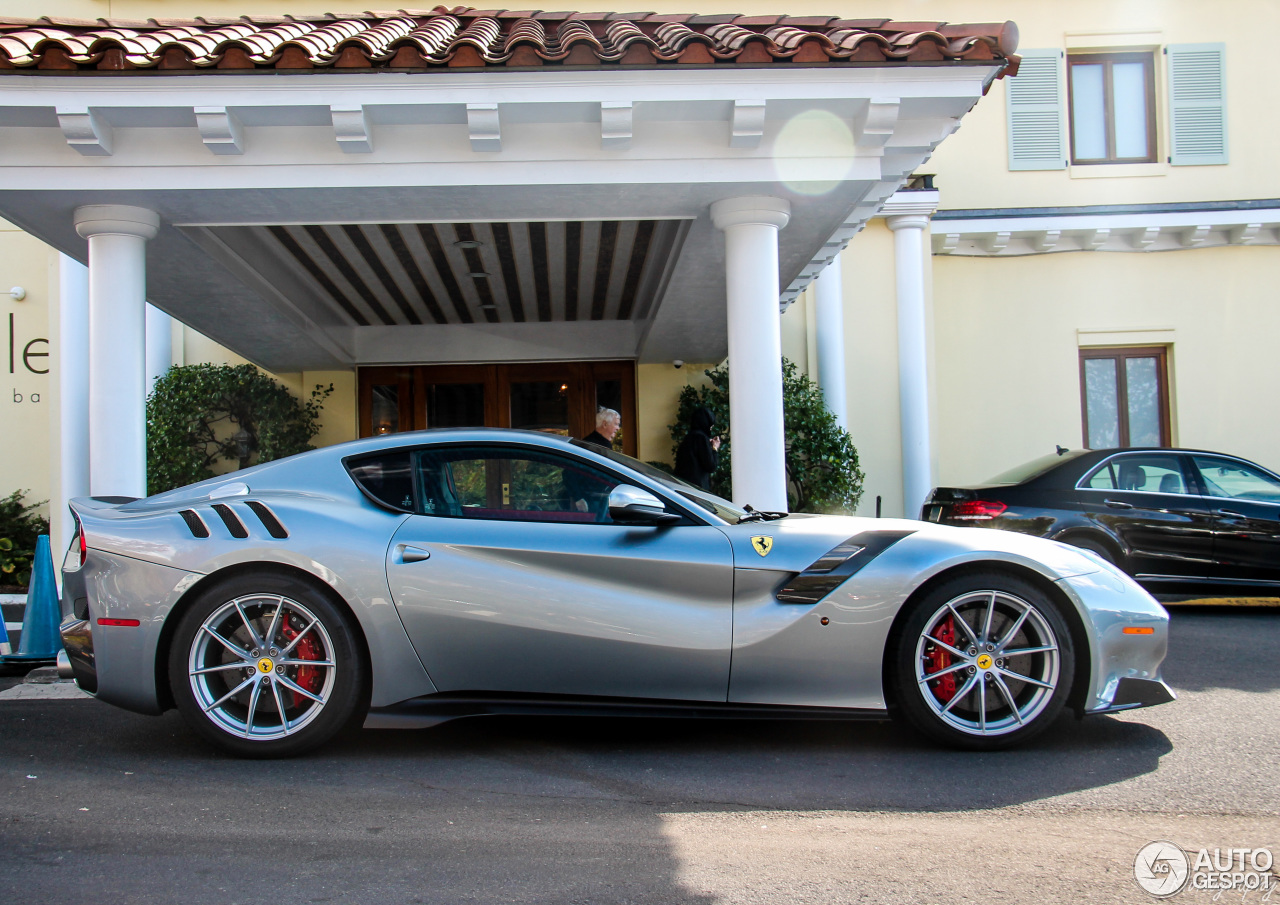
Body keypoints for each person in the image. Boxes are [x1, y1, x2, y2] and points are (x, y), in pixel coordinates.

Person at [674, 405, 721, 490]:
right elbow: (711, 466)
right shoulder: (701, 438)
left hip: (685, 485)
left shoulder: (689, 437)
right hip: (697, 488)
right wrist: (714, 448)